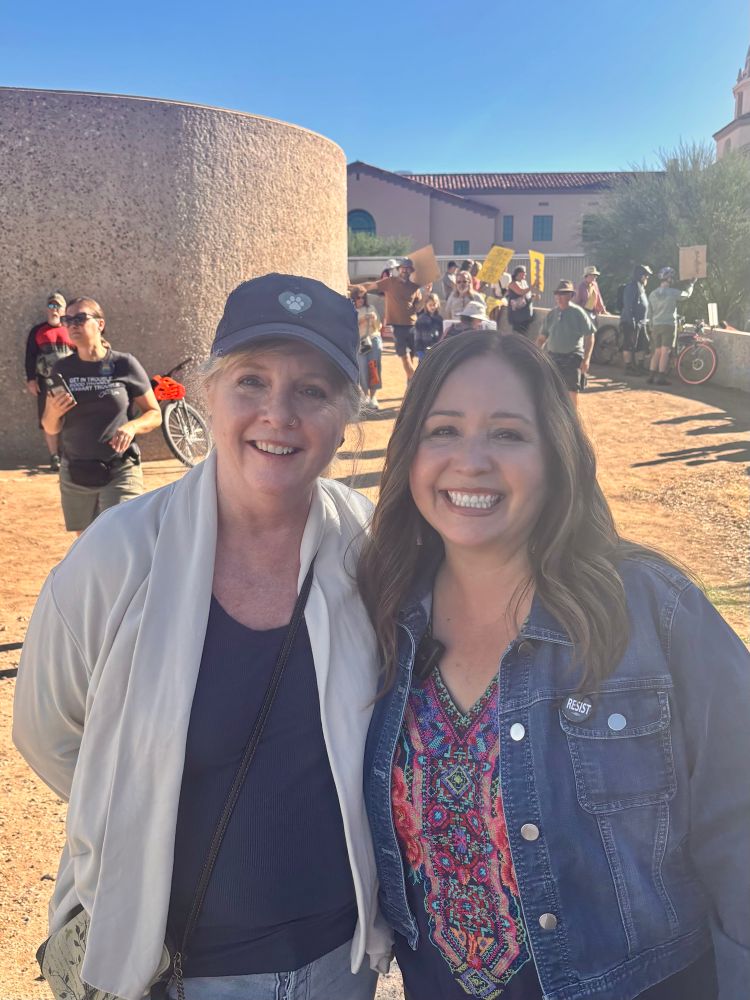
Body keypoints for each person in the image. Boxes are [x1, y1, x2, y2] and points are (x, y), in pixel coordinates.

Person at [14, 274, 390, 1000]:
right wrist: (139, 797)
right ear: (209, 395)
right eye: (251, 381)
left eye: (312, 390)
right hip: (176, 969)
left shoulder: (370, 549)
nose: (277, 415)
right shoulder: (118, 556)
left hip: (338, 966)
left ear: (346, 413)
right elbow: (49, 732)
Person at [358, 330, 749, 1000]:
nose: (470, 461)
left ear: (556, 455)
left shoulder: (655, 613)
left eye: (507, 435)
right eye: (443, 430)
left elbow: (739, 828)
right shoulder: (379, 615)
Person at [40, 297, 162, 535]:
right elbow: (50, 427)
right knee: (87, 546)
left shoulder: (124, 364)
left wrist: (132, 427)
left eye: (80, 318)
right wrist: (53, 412)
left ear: (100, 324)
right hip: (76, 471)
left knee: (124, 538)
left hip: (119, 469)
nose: (72, 324)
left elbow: (154, 413)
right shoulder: (62, 369)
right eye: (67, 320)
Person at [24, 291, 74, 471]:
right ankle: (54, 456)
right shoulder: (37, 331)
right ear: (47, 309)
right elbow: (30, 356)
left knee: (72, 418)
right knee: (48, 419)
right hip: (47, 382)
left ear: (64, 310)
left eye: (58, 306)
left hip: (71, 382)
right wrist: (31, 379)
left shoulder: (71, 327)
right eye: (51, 306)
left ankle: (71, 454)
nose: (54, 310)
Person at [358, 259, 422, 382]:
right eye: (402, 268)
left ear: (410, 271)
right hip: (397, 326)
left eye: (407, 268)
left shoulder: (415, 287)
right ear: (398, 269)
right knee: (405, 356)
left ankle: (410, 386)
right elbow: (370, 286)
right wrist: (353, 287)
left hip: (413, 325)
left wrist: (426, 294)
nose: (405, 270)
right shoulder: (390, 282)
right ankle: (417, 382)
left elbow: (418, 307)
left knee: (411, 358)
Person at [536, 278, 595, 407]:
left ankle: (573, 420)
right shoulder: (552, 314)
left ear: (570, 295)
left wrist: (586, 359)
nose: (559, 297)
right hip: (553, 357)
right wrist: (536, 353)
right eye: (558, 294)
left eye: (563, 293)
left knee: (572, 391)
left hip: (572, 357)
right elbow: (542, 338)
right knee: (551, 390)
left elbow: (590, 336)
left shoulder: (578, 313)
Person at [647, 267, 696, 386]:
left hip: (656, 325)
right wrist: (691, 284)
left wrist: (650, 325)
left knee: (657, 352)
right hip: (668, 325)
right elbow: (686, 295)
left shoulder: (653, 294)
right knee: (665, 351)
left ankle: (651, 376)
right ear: (668, 279)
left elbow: (650, 312)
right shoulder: (672, 292)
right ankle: (661, 377)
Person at [353, 289, 383, 409]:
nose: (361, 300)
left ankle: (373, 397)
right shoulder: (351, 310)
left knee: (374, 368)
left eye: (363, 297)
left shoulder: (371, 308)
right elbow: (349, 328)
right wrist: (360, 321)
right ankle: (365, 396)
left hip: (373, 339)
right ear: (354, 298)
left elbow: (379, 326)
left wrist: (374, 319)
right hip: (360, 343)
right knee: (363, 369)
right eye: (358, 298)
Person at [620, 264, 652, 375]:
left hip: (641, 322)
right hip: (631, 322)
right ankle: (628, 367)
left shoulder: (641, 287)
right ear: (639, 275)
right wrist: (631, 321)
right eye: (645, 275)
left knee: (641, 344)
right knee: (629, 344)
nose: (647, 278)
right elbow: (628, 305)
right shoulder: (631, 287)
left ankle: (640, 366)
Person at [506, 265, 536, 335]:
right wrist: (532, 286)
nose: (525, 274)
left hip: (526, 313)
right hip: (517, 315)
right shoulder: (512, 284)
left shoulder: (524, 282)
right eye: (524, 272)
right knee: (518, 334)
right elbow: (521, 292)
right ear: (519, 273)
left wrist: (532, 296)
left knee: (524, 333)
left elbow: (526, 295)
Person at [414, 292, 443, 360]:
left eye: (434, 304)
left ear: (437, 304)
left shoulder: (439, 319)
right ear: (426, 305)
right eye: (430, 305)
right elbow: (417, 336)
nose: (432, 307)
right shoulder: (421, 319)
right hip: (423, 350)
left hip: (436, 350)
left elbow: (442, 334)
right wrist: (419, 351)